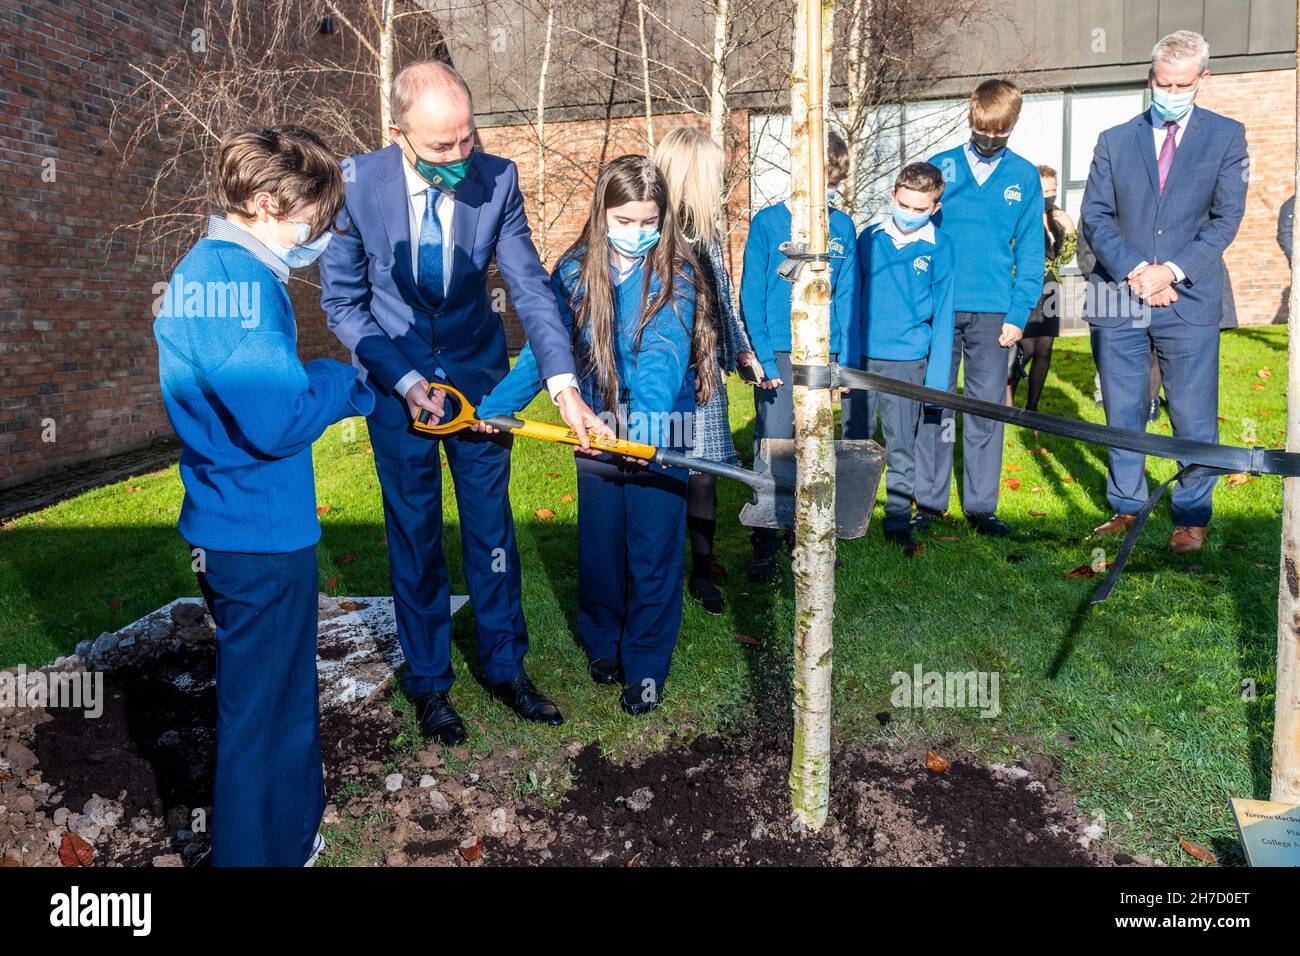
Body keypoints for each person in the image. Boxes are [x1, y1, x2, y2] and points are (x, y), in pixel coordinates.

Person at [320, 62, 614, 743]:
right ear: (398, 132)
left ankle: (507, 667)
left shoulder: (497, 179)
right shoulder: (354, 185)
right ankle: (429, 684)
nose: (459, 156)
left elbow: (531, 288)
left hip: (480, 382)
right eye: (441, 146)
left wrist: (564, 386)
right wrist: (402, 381)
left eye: (467, 138)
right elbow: (343, 302)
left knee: (491, 532)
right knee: (415, 532)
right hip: (397, 389)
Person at [154, 126, 375, 866]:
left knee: (278, 696)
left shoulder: (216, 270)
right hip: (259, 535)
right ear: (267, 202)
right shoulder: (235, 283)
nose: (319, 231)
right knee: (264, 711)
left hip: (238, 524)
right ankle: (255, 852)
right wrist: (344, 381)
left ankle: (293, 833)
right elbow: (278, 418)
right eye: (313, 214)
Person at [477, 155, 708, 715]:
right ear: (602, 213)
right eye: (624, 221)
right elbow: (545, 349)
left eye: (648, 221)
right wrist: (495, 407)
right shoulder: (576, 270)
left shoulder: (676, 273)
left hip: (661, 423)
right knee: (602, 543)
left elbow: (663, 357)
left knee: (652, 548)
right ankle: (603, 643)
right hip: (596, 415)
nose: (637, 232)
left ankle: (646, 666)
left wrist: (642, 431)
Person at [1080, 30, 1247, 554]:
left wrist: (1170, 271)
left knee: (1193, 414)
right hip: (1119, 294)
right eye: (1163, 82)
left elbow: (1226, 219)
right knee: (1123, 409)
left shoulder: (1227, 137)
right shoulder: (1114, 139)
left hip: (1189, 297)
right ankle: (1126, 506)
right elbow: (1095, 217)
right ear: (1150, 77)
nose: (1170, 92)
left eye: (1182, 84)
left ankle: (1191, 519)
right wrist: (1137, 271)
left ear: (1203, 80)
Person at [913, 79, 1044, 539]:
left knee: (986, 408)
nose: (989, 138)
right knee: (936, 404)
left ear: (1013, 125)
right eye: (982, 129)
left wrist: (1018, 313)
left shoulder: (1024, 176)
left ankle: (981, 507)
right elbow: (918, 236)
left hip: (995, 315)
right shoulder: (941, 166)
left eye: (999, 132)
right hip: (941, 309)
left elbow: (1031, 252)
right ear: (971, 118)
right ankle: (929, 502)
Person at [651, 125, 764, 614]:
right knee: (666, 467)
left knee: (704, 473)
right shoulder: (651, 227)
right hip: (668, 369)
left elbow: (721, 295)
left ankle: (702, 568)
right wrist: (690, 362)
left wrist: (741, 351)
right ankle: (659, 567)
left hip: (707, 368)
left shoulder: (706, 230)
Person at [740, 131, 858, 581]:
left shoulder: (842, 227)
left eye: (833, 184)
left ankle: (809, 533)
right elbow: (751, 295)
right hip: (779, 352)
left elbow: (846, 296)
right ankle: (766, 540)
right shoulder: (768, 223)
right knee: (774, 443)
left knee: (816, 442)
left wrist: (839, 360)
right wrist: (764, 357)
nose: (826, 193)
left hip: (822, 353)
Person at [845, 162, 954, 556]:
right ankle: (848, 516)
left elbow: (943, 314)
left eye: (919, 209)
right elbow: (849, 301)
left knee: (901, 446)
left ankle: (896, 520)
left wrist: (936, 384)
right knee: (854, 441)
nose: (909, 213)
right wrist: (847, 360)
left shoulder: (941, 247)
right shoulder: (868, 239)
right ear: (893, 196)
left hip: (908, 365)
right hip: (861, 362)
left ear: (935, 208)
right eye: (904, 204)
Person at [1009, 164, 1076, 414]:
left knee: (1045, 348)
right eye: (1045, 190)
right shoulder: (1021, 215)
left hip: (1051, 288)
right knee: (1025, 348)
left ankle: (1032, 408)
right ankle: (1007, 400)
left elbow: (1065, 257)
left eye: (1053, 189)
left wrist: (1070, 229)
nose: (1050, 195)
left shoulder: (1056, 217)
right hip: (1026, 286)